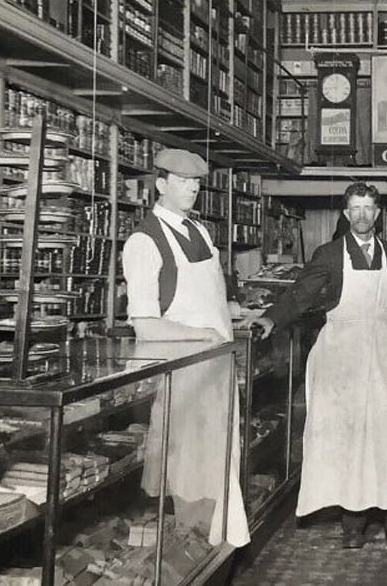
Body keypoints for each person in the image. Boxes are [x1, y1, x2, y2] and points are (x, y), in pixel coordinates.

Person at [257, 182, 387, 553]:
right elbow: (300, 295)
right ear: (347, 214)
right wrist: (272, 319)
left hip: (378, 355)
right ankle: (353, 527)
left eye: (369, 209)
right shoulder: (330, 254)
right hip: (341, 358)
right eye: (355, 209)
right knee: (348, 440)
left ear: (378, 214)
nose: (362, 216)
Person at [121, 148, 250, 547]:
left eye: (196, 181)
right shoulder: (144, 241)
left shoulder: (199, 231)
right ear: (161, 185)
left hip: (214, 371)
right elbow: (145, 327)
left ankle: (212, 548)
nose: (194, 187)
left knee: (219, 463)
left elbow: (201, 298)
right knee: (188, 469)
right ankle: (194, 552)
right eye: (183, 180)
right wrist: (205, 336)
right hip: (182, 374)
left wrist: (230, 312)